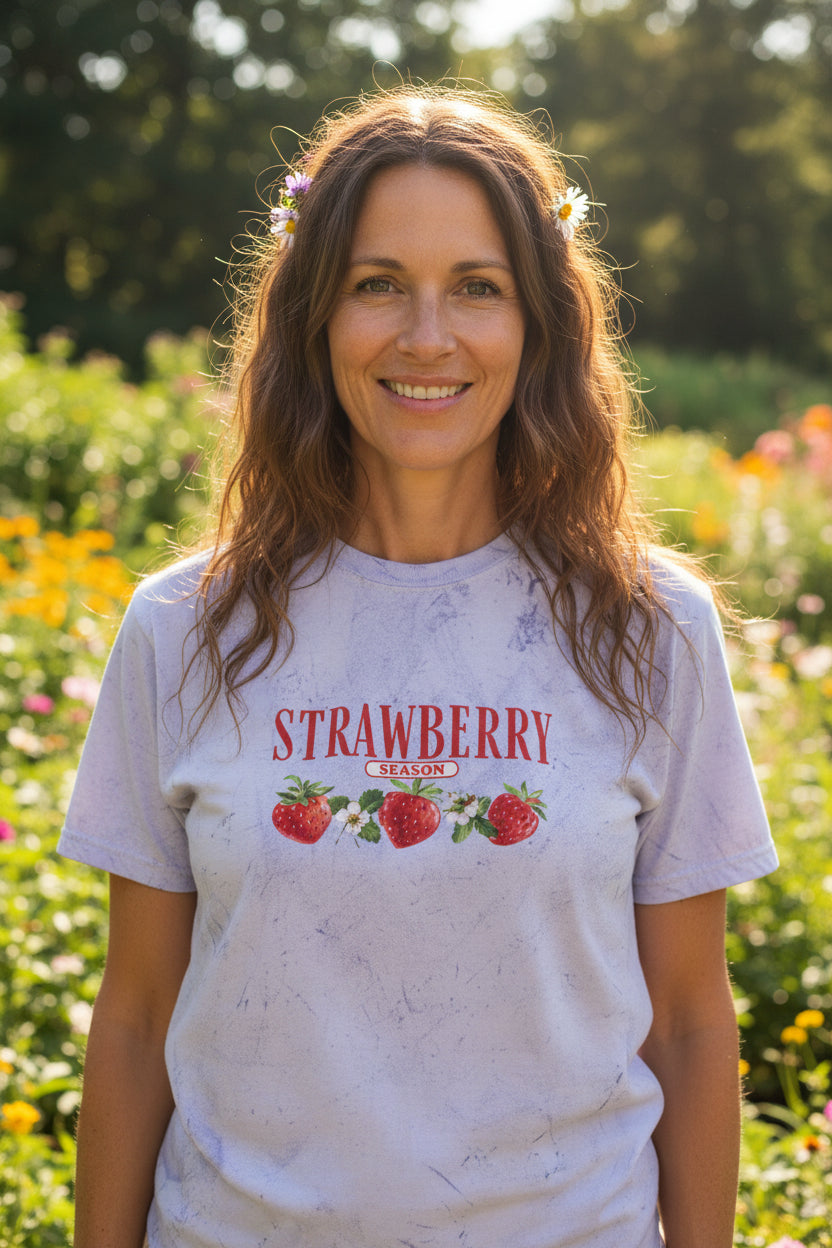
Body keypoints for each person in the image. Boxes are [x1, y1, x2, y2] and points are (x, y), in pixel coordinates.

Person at [60, 86, 777, 1248]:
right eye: (377, 283)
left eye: (477, 288)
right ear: (314, 315)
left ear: (540, 325)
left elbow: (692, 1023)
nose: (427, 336)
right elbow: (136, 1017)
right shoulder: (186, 629)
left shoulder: (650, 632)